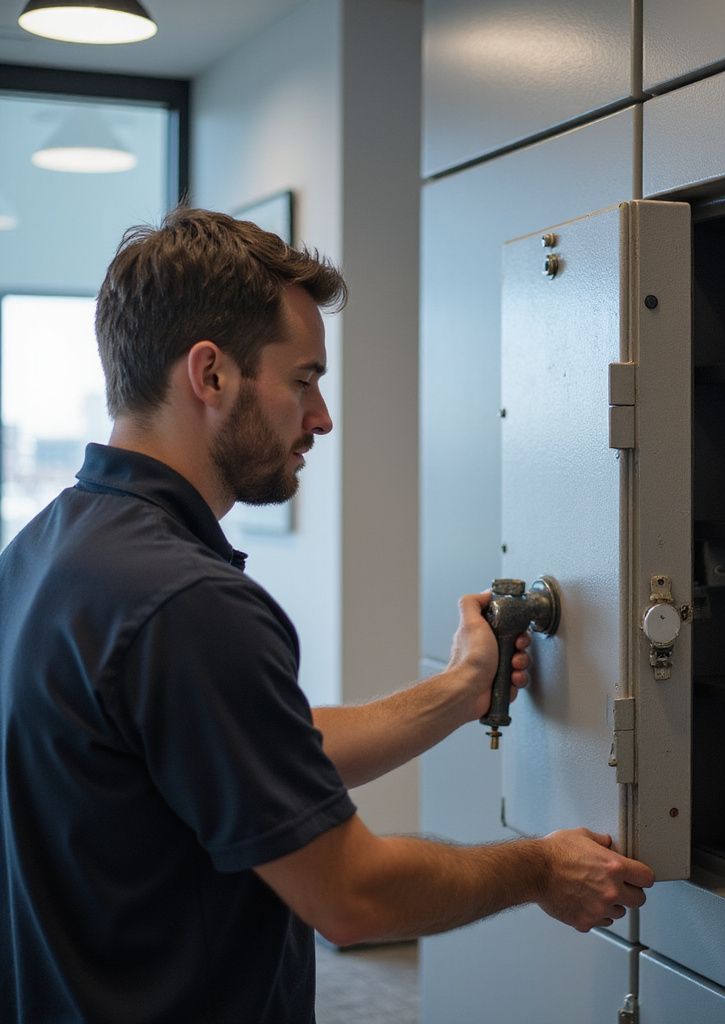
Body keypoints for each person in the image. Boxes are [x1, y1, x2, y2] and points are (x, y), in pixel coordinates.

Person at [0, 208, 654, 1024]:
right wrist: (539, 870)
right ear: (211, 375)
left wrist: (459, 689)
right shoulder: (188, 605)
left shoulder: (44, 555)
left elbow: (249, 750)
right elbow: (352, 896)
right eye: (303, 380)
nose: (322, 418)